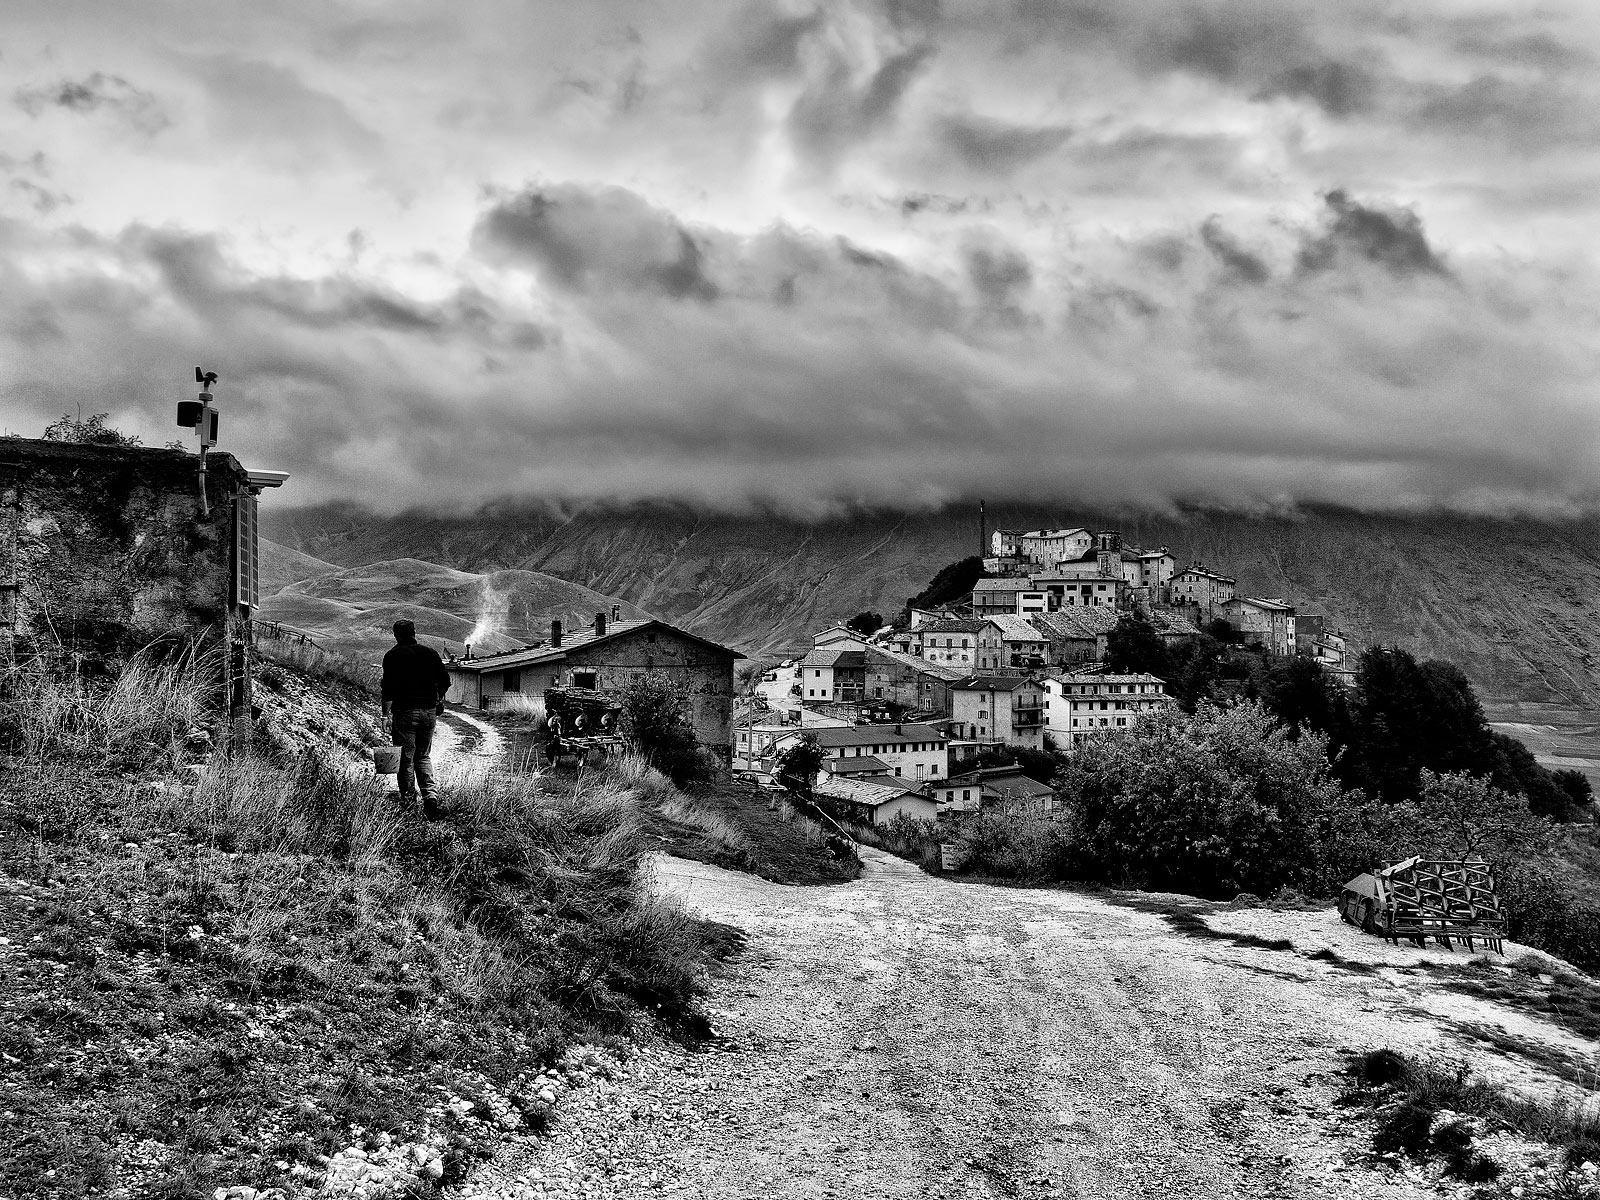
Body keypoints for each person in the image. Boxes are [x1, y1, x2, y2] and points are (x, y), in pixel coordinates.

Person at [380, 618, 451, 819]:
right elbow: (445, 681)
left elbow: (388, 690)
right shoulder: (430, 653)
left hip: (404, 713)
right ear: (414, 633)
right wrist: (438, 699)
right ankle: (430, 798)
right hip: (429, 712)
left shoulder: (392, 656)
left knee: (405, 759)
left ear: (395, 635)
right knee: (423, 755)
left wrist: (385, 715)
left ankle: (409, 803)